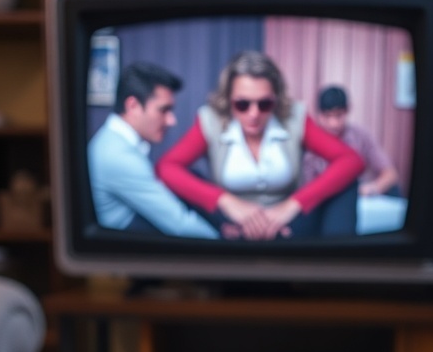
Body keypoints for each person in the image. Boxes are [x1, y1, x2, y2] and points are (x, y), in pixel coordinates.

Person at [155, 51, 364, 241]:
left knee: (346, 182)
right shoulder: (211, 120)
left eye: (264, 104)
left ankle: (334, 267)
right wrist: (226, 202)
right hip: (229, 222)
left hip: (288, 223)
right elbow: (166, 167)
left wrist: (292, 205)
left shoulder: (294, 117)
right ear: (228, 100)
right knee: (183, 180)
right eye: (242, 104)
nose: (254, 114)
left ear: (276, 100)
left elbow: (351, 161)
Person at [87, 61, 218, 239]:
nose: (171, 121)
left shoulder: (112, 141)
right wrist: (227, 248)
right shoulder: (118, 156)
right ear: (133, 106)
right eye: (164, 110)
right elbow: (181, 225)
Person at [302, 85, 401, 197]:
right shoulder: (310, 141)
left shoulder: (361, 136)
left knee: (394, 190)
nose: (333, 123)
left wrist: (371, 189)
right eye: (327, 116)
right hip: (324, 198)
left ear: (348, 110)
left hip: (359, 195)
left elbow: (390, 173)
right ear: (318, 114)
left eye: (339, 115)